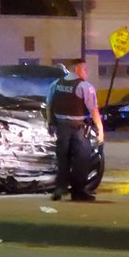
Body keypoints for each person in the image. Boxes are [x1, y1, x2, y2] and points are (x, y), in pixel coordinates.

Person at [49, 58, 105, 202]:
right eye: (85, 69)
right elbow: (94, 111)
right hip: (78, 128)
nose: (87, 72)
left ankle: (60, 188)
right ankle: (78, 192)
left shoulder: (56, 84)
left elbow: (49, 105)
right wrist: (100, 130)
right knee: (82, 160)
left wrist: (50, 123)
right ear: (76, 70)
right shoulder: (85, 87)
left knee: (63, 159)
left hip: (61, 128)